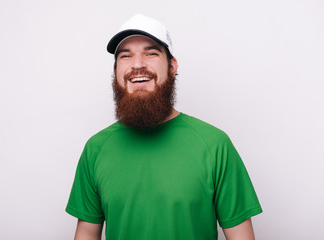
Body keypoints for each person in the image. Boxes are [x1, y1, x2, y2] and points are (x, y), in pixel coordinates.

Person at [66, 14, 262, 240]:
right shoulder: (95, 149)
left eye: (151, 53)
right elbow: (86, 234)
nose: (137, 65)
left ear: (172, 66)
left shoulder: (215, 144)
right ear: (116, 72)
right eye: (125, 56)